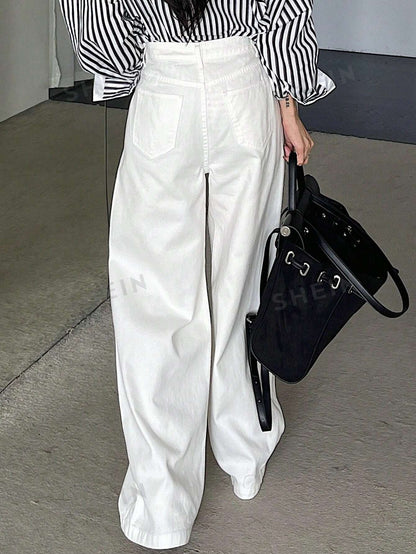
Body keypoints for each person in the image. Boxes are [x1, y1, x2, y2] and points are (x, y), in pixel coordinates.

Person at [59, 0, 336, 549]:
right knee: (243, 285)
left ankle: (163, 505)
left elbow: (99, 35)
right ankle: (245, 453)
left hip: (165, 87)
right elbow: (281, 13)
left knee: (155, 302)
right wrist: (288, 102)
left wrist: (145, 65)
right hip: (244, 88)